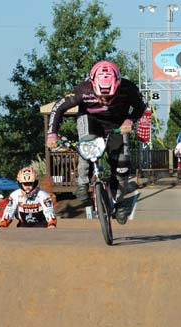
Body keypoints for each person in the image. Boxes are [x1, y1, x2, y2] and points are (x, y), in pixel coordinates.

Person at [45, 60, 146, 225]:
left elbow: (142, 106)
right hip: (91, 121)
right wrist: (52, 134)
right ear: (92, 84)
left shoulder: (128, 88)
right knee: (87, 145)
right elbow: (58, 108)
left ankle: (119, 201)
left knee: (122, 165)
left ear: (118, 83)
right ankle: (82, 183)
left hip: (117, 125)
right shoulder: (83, 90)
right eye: (101, 96)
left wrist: (130, 121)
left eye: (110, 96)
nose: (105, 100)